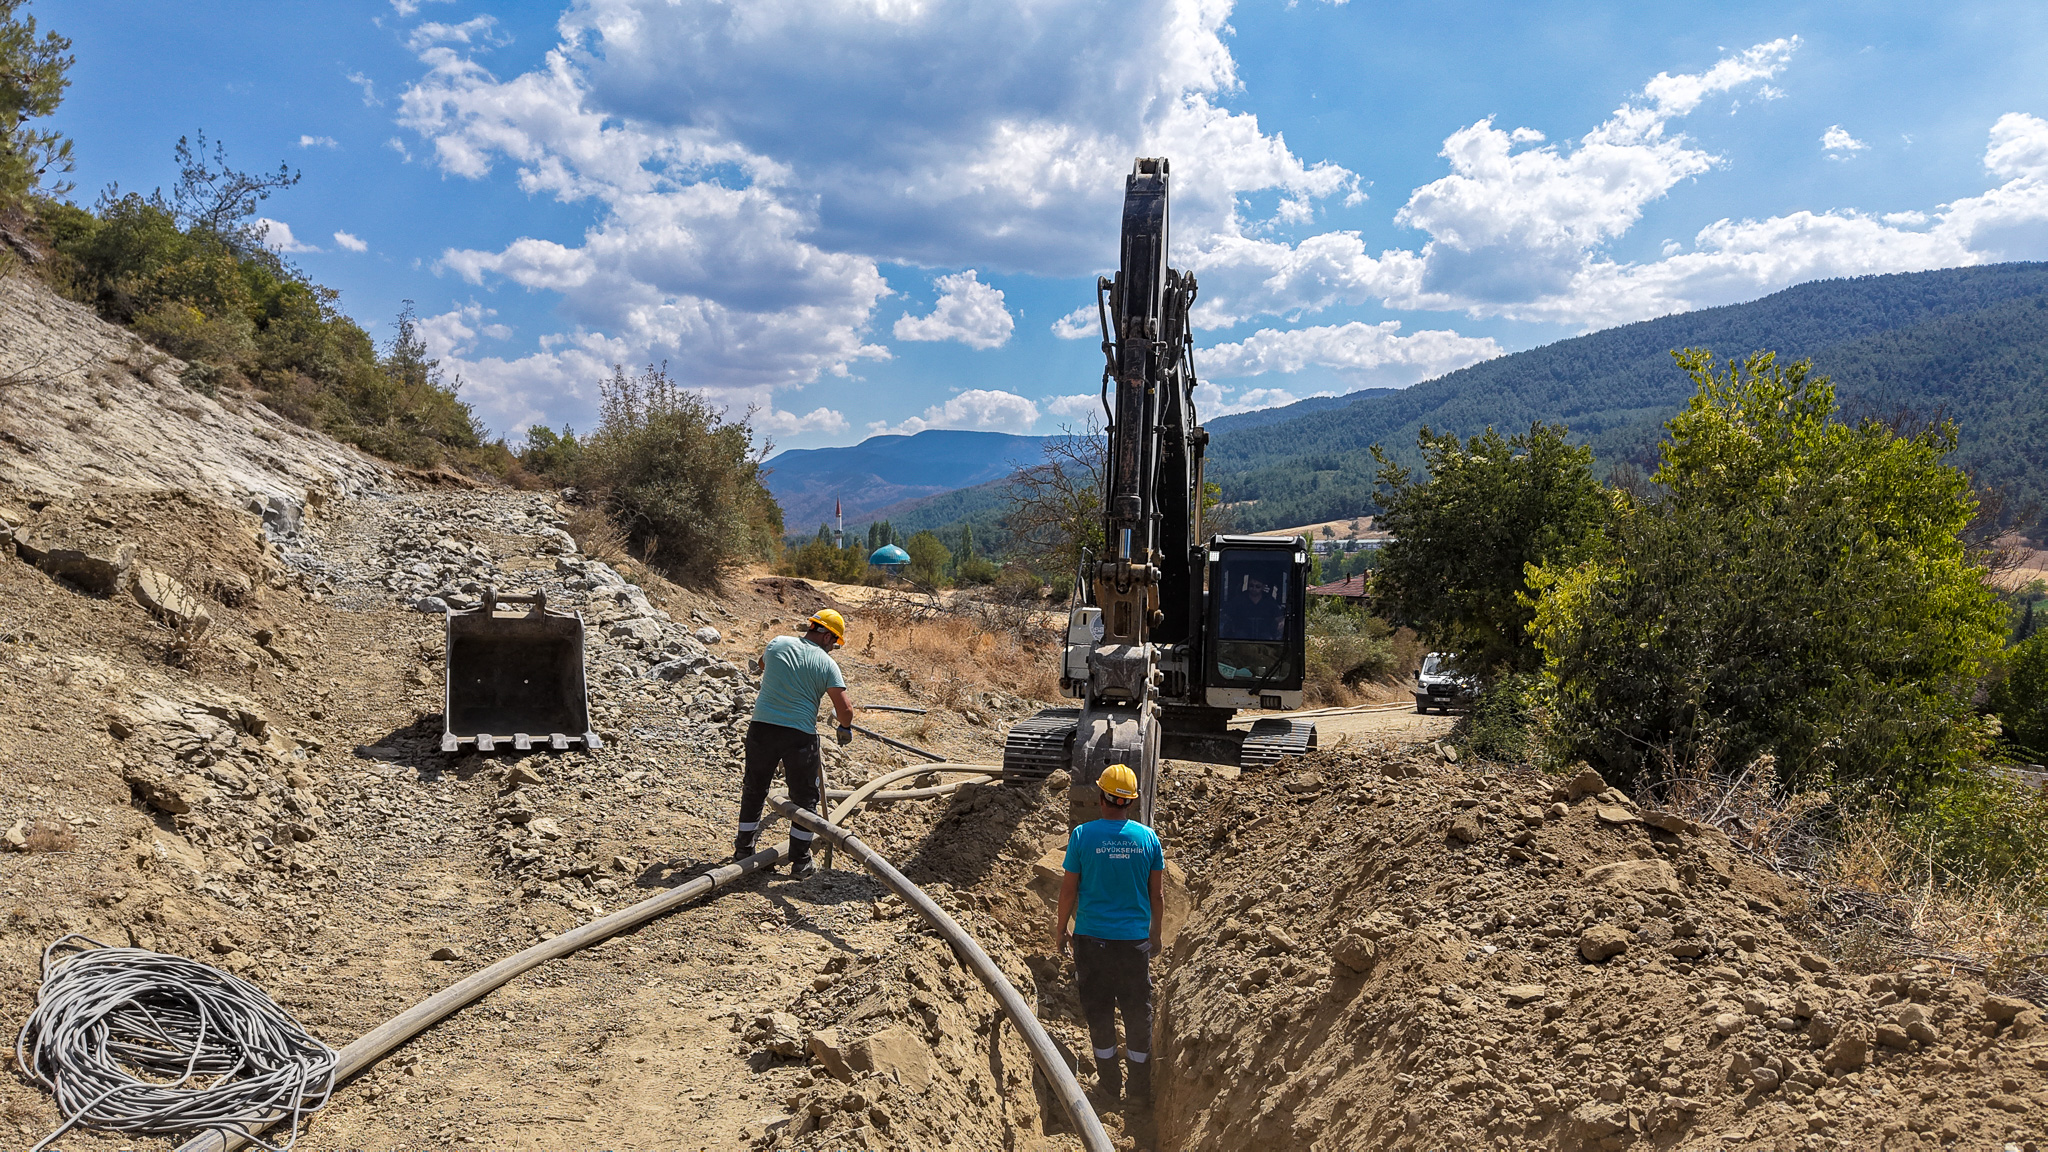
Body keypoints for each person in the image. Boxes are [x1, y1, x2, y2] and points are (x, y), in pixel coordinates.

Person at [1053, 764, 1165, 1104]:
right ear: (1130, 802)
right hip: (1133, 944)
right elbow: (1157, 895)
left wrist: (1061, 930)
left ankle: (1109, 1087)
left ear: (1101, 797)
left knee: (1099, 1012)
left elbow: (1069, 892)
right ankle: (1139, 1090)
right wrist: (1156, 936)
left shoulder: (1082, 836)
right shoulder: (1147, 838)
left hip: (1091, 941)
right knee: (1136, 1011)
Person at [732, 609, 853, 878]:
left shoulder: (778, 642)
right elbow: (845, 710)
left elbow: (763, 664)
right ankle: (800, 861)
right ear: (827, 636)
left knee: (755, 787)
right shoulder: (827, 664)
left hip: (761, 728)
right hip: (799, 736)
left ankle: (744, 850)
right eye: (834, 642)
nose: (833, 648)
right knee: (804, 798)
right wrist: (844, 728)